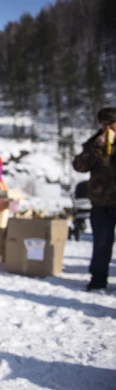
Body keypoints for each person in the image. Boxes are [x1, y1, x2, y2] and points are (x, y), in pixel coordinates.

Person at [72, 107, 116, 292]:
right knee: (101, 243)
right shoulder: (94, 143)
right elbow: (79, 166)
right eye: (104, 124)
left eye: (111, 124)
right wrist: (95, 148)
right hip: (102, 201)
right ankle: (98, 280)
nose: (107, 127)